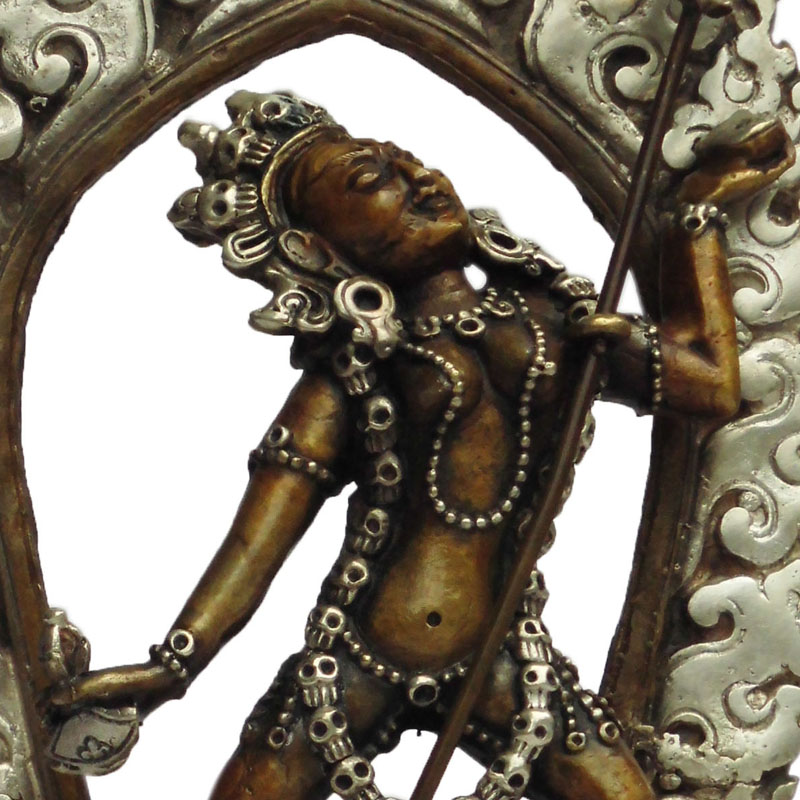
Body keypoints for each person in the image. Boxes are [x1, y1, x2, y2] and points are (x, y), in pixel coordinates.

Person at [49, 92, 795, 800]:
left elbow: (709, 386)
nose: (417, 178)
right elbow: (256, 544)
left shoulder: (555, 325)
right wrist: (171, 666)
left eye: (409, 160)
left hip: (509, 664)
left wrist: (694, 218)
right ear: (315, 246)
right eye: (373, 179)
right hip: (349, 665)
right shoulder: (351, 375)